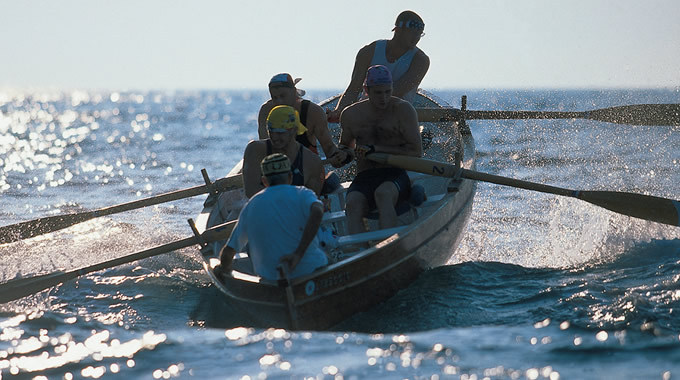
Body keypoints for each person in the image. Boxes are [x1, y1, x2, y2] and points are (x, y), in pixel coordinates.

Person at [331, 65, 423, 234]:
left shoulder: (404, 110)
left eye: (388, 92)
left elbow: (416, 152)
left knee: (383, 194)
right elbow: (346, 146)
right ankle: (358, 252)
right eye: (378, 93)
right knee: (352, 203)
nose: (384, 98)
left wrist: (376, 149)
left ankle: (389, 246)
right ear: (366, 90)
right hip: (365, 176)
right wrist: (341, 155)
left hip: (394, 174)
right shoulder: (351, 114)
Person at [219, 153, 328, 280]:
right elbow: (318, 212)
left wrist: (222, 269)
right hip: (311, 271)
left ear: (264, 181)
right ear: (290, 177)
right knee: (328, 257)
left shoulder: (251, 205)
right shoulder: (303, 194)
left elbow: (228, 253)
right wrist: (298, 254)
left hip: (272, 281)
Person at [327, 10, 430, 123]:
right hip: (366, 114)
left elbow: (395, 92)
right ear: (398, 29)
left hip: (397, 118)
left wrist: (354, 112)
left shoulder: (421, 61)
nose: (417, 38)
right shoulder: (368, 52)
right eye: (413, 33)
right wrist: (339, 111)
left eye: (419, 34)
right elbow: (353, 88)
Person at [243, 105, 324, 198]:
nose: (274, 137)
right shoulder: (255, 150)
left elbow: (311, 202)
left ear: (294, 131)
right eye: (271, 131)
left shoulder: (312, 162)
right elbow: (251, 192)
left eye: (279, 132)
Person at [258, 73, 339, 159]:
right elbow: (265, 147)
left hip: (307, 166)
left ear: (294, 92)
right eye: (274, 97)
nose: (279, 101)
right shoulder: (266, 111)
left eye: (283, 96)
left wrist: (342, 155)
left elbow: (329, 148)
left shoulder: (313, 112)